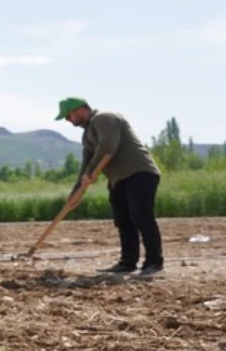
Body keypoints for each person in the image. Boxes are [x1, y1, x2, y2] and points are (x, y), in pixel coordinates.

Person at [56, 97, 163, 277]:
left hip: (139, 173)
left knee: (140, 216)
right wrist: (76, 192)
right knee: (122, 220)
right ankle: (127, 262)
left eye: (68, 116)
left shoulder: (105, 118)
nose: (68, 121)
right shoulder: (87, 134)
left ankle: (154, 262)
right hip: (118, 179)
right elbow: (87, 162)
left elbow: (107, 147)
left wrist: (90, 175)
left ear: (80, 110)